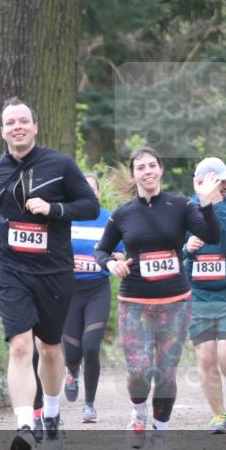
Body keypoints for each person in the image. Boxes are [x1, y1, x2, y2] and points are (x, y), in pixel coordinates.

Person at [0, 97, 99, 450]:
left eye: (23, 121)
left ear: (35, 127)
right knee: (20, 346)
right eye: (10, 122)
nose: (17, 127)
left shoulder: (60, 165)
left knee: (50, 348)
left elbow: (89, 205)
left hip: (54, 270)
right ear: (2, 131)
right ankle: (25, 425)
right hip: (11, 269)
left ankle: (54, 415)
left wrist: (54, 209)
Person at [94, 148, 222, 450]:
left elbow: (212, 235)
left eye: (153, 165)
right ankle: (138, 415)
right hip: (134, 302)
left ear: (161, 170)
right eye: (141, 167)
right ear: (134, 173)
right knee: (138, 371)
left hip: (175, 302)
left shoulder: (180, 205)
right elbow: (101, 250)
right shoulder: (123, 213)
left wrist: (205, 203)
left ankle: (160, 433)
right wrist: (110, 264)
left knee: (165, 373)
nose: (148, 171)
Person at [184, 157, 226, 434]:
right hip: (198, 293)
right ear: (200, 183)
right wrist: (185, 246)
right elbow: (169, 246)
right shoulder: (186, 208)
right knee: (205, 358)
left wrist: (218, 205)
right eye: (219, 180)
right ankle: (217, 414)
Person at [62, 173, 123, 423]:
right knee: (73, 350)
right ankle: (72, 371)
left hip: (97, 289)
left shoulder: (108, 219)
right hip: (69, 291)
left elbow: (119, 253)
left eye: (91, 189)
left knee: (91, 345)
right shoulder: (64, 219)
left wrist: (113, 261)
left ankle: (89, 405)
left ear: (97, 194)